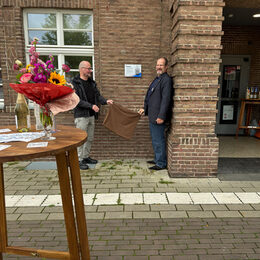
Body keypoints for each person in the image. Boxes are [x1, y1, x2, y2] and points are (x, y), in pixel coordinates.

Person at [72, 61, 113, 170]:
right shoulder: (75, 83)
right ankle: (78, 160)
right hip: (81, 115)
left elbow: (97, 95)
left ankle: (85, 157)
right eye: (88, 68)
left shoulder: (91, 82)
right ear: (81, 69)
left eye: (90, 68)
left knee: (89, 138)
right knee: (80, 139)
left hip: (91, 115)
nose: (90, 70)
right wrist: (91, 106)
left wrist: (105, 101)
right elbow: (76, 100)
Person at [139, 57, 173, 171]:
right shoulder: (157, 79)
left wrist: (161, 116)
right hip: (153, 115)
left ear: (166, 67)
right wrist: (145, 108)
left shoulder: (166, 80)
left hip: (158, 116)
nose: (158, 67)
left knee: (158, 140)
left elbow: (166, 99)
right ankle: (157, 158)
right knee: (155, 139)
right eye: (157, 65)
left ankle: (161, 163)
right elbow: (150, 96)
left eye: (161, 65)